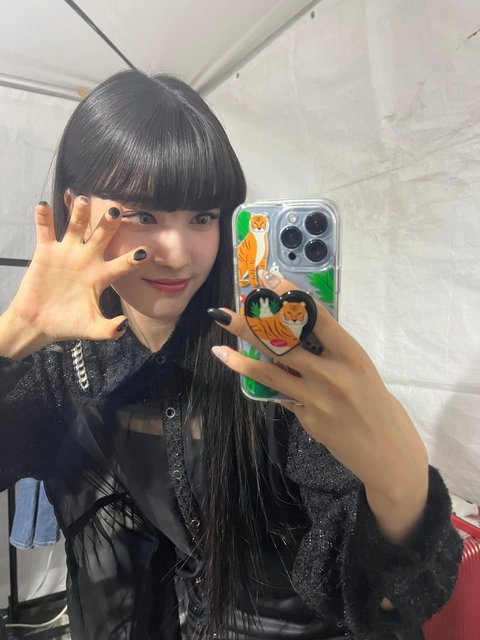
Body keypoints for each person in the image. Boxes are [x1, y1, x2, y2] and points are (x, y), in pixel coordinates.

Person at [0, 70, 462, 640]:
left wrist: (401, 486)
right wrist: (13, 334)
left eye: (203, 217)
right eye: (144, 215)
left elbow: (378, 601)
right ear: (78, 208)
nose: (178, 254)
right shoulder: (66, 366)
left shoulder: (262, 357)